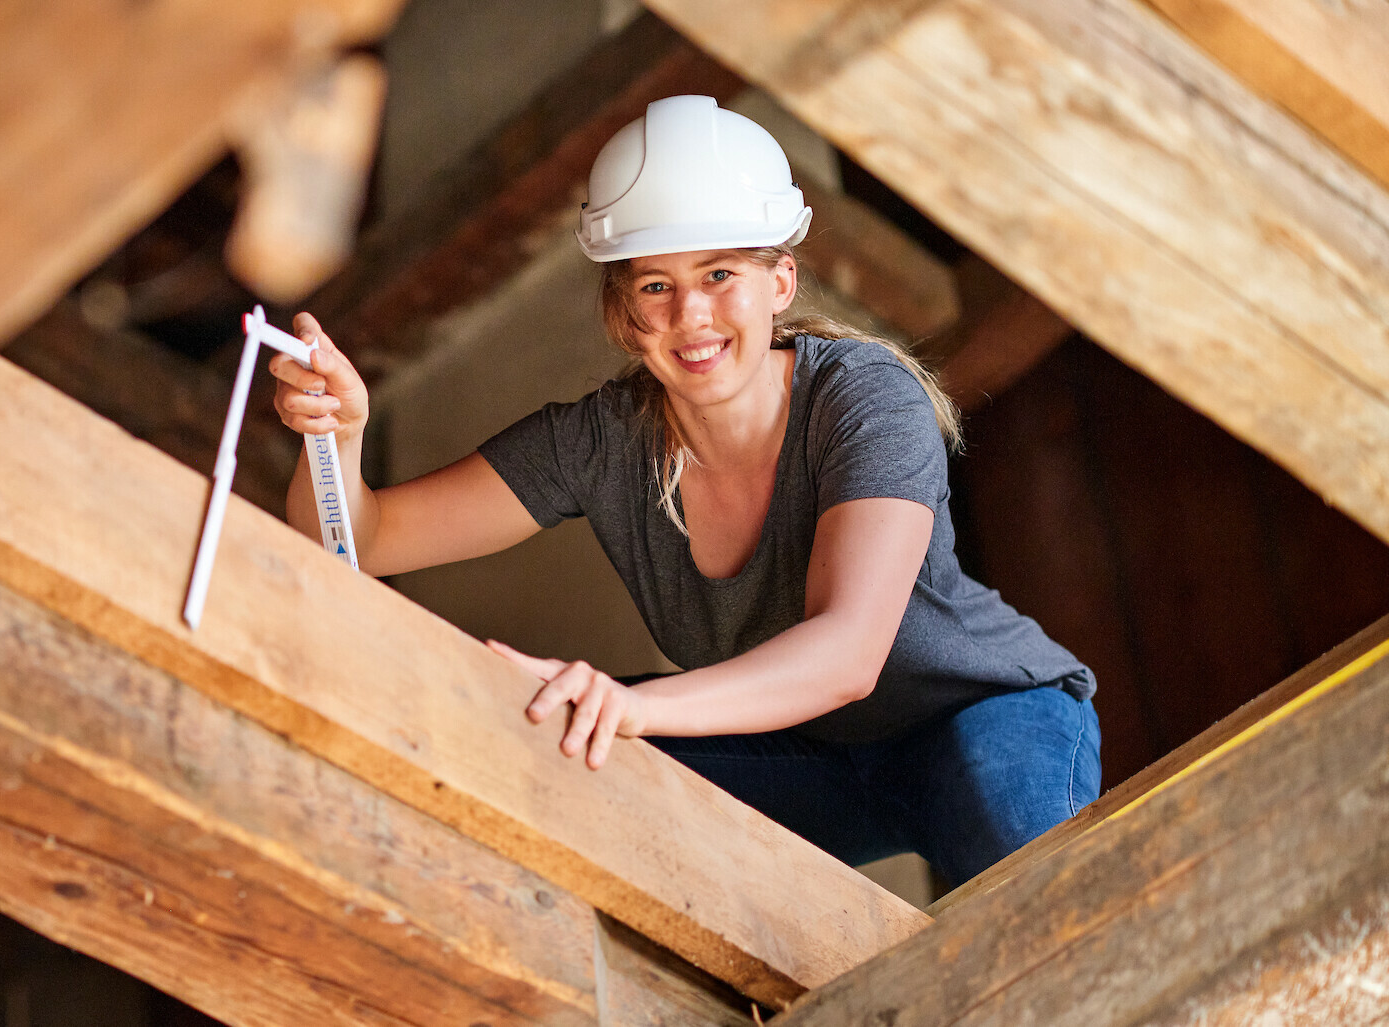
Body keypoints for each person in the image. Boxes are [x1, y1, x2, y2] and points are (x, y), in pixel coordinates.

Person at [265, 95, 1098, 885]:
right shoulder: (596, 441)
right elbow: (358, 544)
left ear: (779, 282)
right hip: (809, 752)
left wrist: (632, 705)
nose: (689, 316)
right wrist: (334, 442)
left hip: (982, 719)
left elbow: (846, 656)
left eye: (719, 273)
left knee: (1037, 901)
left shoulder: (862, 396)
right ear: (625, 312)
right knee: (560, 739)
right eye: (655, 285)